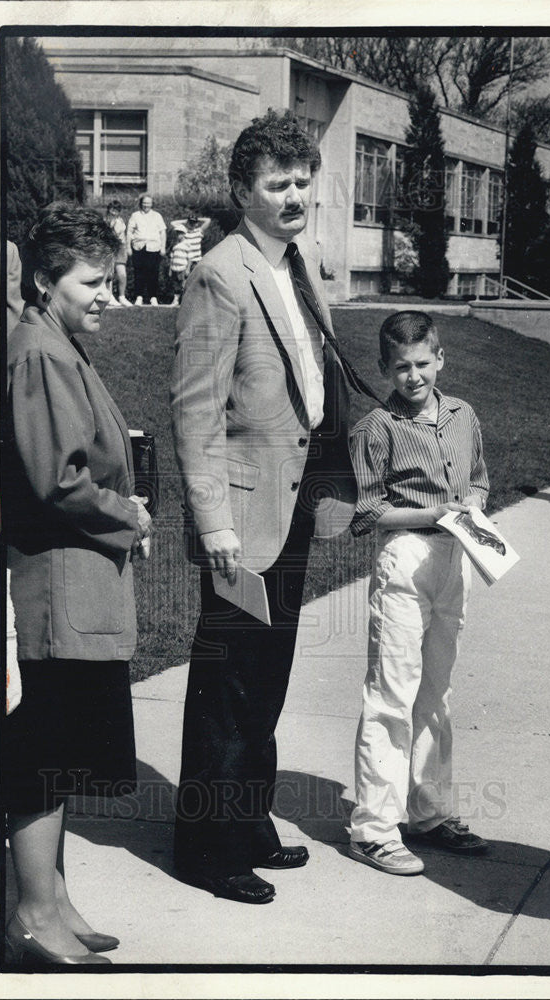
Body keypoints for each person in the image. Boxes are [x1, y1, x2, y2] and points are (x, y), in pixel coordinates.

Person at [170, 109, 357, 904]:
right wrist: (212, 523)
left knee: (266, 675)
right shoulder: (220, 272)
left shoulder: (296, 261)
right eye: (276, 184)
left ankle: (247, 821)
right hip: (240, 518)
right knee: (226, 685)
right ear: (242, 192)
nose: (293, 196)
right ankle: (206, 849)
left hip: (293, 498)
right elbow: (194, 409)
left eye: (302, 181)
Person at [0, 202, 152, 965]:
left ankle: (54, 901)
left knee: (57, 763)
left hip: (77, 587)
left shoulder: (55, 343)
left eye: (111, 278)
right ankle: (31, 914)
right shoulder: (39, 353)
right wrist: (127, 512)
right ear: (43, 280)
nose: (107, 294)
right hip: (55, 595)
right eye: (93, 281)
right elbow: (56, 481)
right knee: (42, 763)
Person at [347, 311, 489, 876]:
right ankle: (374, 829)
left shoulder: (463, 414)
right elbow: (366, 511)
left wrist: (471, 506)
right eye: (401, 367)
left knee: (436, 690)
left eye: (423, 363)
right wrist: (432, 512)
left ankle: (428, 813)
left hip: (457, 557)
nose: (413, 376)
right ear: (385, 367)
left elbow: (479, 475)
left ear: (441, 358)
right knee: (392, 695)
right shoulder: (376, 427)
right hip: (405, 556)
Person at [128, 194, 166, 305]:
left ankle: (153, 297)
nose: (146, 205)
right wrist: (128, 247)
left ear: (152, 204)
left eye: (148, 203)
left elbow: (162, 232)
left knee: (153, 272)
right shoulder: (135, 215)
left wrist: (163, 247)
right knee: (139, 272)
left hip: (154, 248)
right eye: (144, 203)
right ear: (141, 203)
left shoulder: (157, 216)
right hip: (138, 247)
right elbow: (129, 232)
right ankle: (138, 297)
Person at [105, 200, 132, 307]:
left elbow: (122, 235)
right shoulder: (106, 220)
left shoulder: (120, 220)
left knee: (122, 274)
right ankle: (110, 296)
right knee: (109, 273)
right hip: (110, 247)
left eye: (116, 209)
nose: (114, 211)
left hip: (121, 248)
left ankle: (122, 297)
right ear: (109, 209)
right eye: (112, 209)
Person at [167, 228, 189, 307]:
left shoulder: (187, 244)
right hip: (174, 268)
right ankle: (175, 301)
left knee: (183, 285)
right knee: (176, 285)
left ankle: (185, 302)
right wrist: (170, 269)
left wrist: (187, 269)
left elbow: (190, 258)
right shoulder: (175, 244)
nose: (178, 235)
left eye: (180, 233)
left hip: (182, 268)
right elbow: (172, 258)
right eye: (177, 233)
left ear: (184, 234)